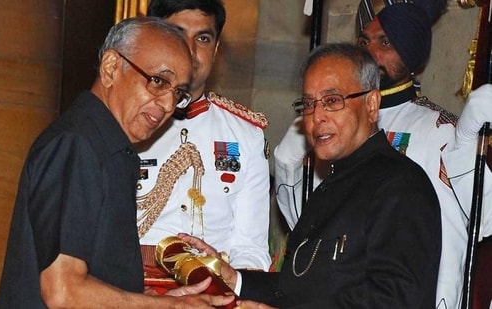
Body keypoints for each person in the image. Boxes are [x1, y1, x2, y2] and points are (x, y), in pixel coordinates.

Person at [0, 17, 235, 308]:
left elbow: (100, 279)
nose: (168, 105)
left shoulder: (112, 151)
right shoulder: (77, 145)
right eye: (158, 81)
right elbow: (63, 290)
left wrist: (151, 301)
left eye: (178, 93)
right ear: (110, 68)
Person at [182, 43, 442, 308]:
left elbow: (394, 301)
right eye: (308, 104)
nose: (317, 117)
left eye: (332, 101)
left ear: (372, 104)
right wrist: (232, 277)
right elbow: (298, 288)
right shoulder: (332, 184)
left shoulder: (400, 186)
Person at [274, 1, 492, 307]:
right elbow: (308, 230)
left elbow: (484, 220)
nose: (370, 51)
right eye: (364, 41)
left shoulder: (441, 131)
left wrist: (467, 142)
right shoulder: (330, 128)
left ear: (412, 52)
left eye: (385, 42)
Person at [135, 0, 271, 271]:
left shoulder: (245, 135)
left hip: (211, 289)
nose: (191, 50)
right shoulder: (128, 122)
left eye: (203, 38)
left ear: (216, 49)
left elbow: (251, 250)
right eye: (177, 33)